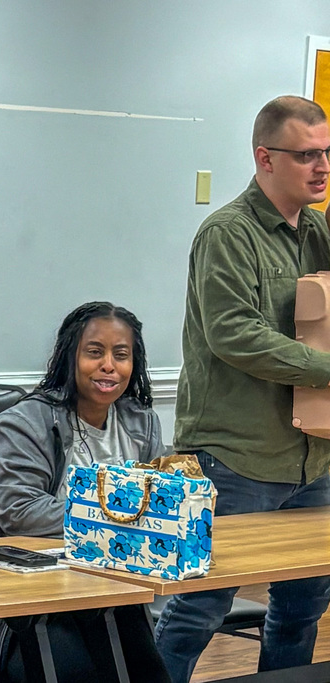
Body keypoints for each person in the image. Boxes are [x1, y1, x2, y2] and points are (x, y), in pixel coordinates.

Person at [154, 95, 330, 682]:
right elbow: (235, 335)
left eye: (327, 152)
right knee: (198, 608)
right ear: (265, 158)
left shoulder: (318, 230)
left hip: (312, 457)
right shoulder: (227, 233)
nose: (322, 167)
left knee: (303, 607)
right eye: (307, 155)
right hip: (234, 458)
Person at [0, 302, 170, 683]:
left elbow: (161, 502)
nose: (109, 365)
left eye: (121, 355)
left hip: (115, 592)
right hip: (32, 602)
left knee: (149, 673)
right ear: (70, 357)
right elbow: (19, 511)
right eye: (95, 352)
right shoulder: (24, 422)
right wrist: (118, 516)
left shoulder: (142, 423)